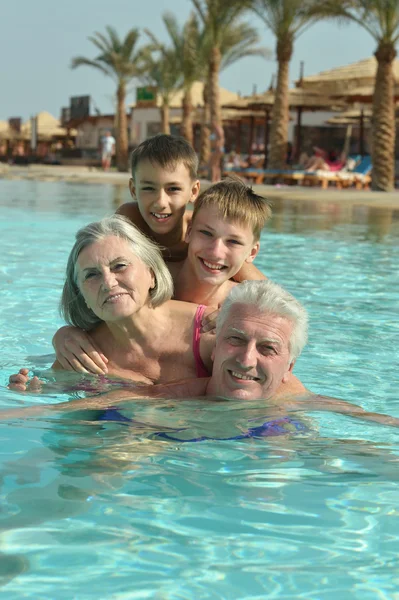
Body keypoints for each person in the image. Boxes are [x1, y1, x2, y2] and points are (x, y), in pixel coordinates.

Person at [8, 280, 399, 434]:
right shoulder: (171, 396)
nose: (246, 360)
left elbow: (364, 439)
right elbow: (96, 404)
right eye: (235, 340)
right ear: (213, 346)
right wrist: (27, 405)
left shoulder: (297, 407)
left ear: (289, 367)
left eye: (267, 349)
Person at [53, 178, 270, 372]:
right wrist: (65, 334)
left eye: (233, 242)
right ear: (189, 231)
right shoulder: (149, 276)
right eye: (206, 233)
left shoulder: (244, 302)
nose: (215, 251)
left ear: (252, 252)